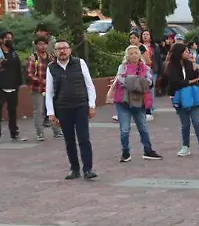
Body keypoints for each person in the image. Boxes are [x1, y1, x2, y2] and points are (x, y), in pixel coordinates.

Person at [45, 39, 98, 180]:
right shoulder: (51, 68)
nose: (62, 51)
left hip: (80, 106)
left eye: (64, 48)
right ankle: (74, 169)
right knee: (69, 140)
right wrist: (51, 113)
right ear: (54, 52)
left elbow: (90, 85)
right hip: (63, 108)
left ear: (70, 50)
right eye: (58, 49)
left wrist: (91, 105)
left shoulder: (80, 63)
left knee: (84, 138)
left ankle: (88, 169)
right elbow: (49, 92)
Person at [108, 45, 161, 162]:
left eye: (136, 53)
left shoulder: (145, 68)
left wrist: (132, 81)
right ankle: (125, 152)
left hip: (139, 102)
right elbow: (122, 80)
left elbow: (149, 82)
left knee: (143, 128)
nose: (133, 55)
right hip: (123, 102)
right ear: (127, 56)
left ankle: (148, 150)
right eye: (131, 53)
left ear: (139, 55)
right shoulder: (122, 67)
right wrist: (138, 83)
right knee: (124, 130)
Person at [166, 43, 199, 158]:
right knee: (185, 123)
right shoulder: (171, 66)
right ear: (179, 53)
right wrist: (189, 82)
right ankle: (186, 146)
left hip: (193, 94)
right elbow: (175, 80)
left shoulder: (190, 63)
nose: (188, 53)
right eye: (186, 51)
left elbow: (196, 77)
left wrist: (195, 68)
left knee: (197, 122)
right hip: (179, 96)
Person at [25, 36, 60, 141]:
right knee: (39, 111)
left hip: (51, 88)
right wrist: (41, 80)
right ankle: (40, 133)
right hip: (38, 88)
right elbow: (29, 74)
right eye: (40, 44)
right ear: (36, 46)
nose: (42, 46)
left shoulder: (51, 57)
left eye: (44, 44)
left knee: (53, 109)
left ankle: (57, 131)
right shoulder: (34, 58)